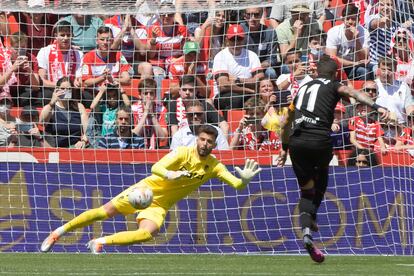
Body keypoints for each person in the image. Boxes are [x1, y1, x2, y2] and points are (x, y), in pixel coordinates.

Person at [40, 124, 262, 254]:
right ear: (197, 139)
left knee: (147, 233)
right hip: (145, 191)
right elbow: (156, 167)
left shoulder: (214, 166)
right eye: (202, 139)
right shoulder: (183, 153)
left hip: (160, 205)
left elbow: (236, 184)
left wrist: (245, 180)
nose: (204, 144)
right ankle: (57, 233)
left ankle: (100, 242)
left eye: (209, 142)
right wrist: (170, 174)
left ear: (214, 145)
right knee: (101, 213)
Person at [277, 55, 389, 263]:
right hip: (319, 140)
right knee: (321, 183)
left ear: (317, 72)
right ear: (335, 73)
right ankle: (311, 218)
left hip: (297, 143)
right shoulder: (334, 84)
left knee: (306, 190)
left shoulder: (301, 89)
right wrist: (376, 107)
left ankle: (307, 230)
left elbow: (284, 121)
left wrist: (284, 149)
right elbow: (352, 92)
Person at [40, 76, 89, 148]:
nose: (66, 91)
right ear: (56, 90)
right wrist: (52, 103)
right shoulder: (51, 107)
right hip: (54, 148)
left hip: (75, 147)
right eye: (62, 89)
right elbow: (42, 122)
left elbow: (87, 131)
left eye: (69, 89)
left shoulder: (79, 107)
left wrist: (83, 141)